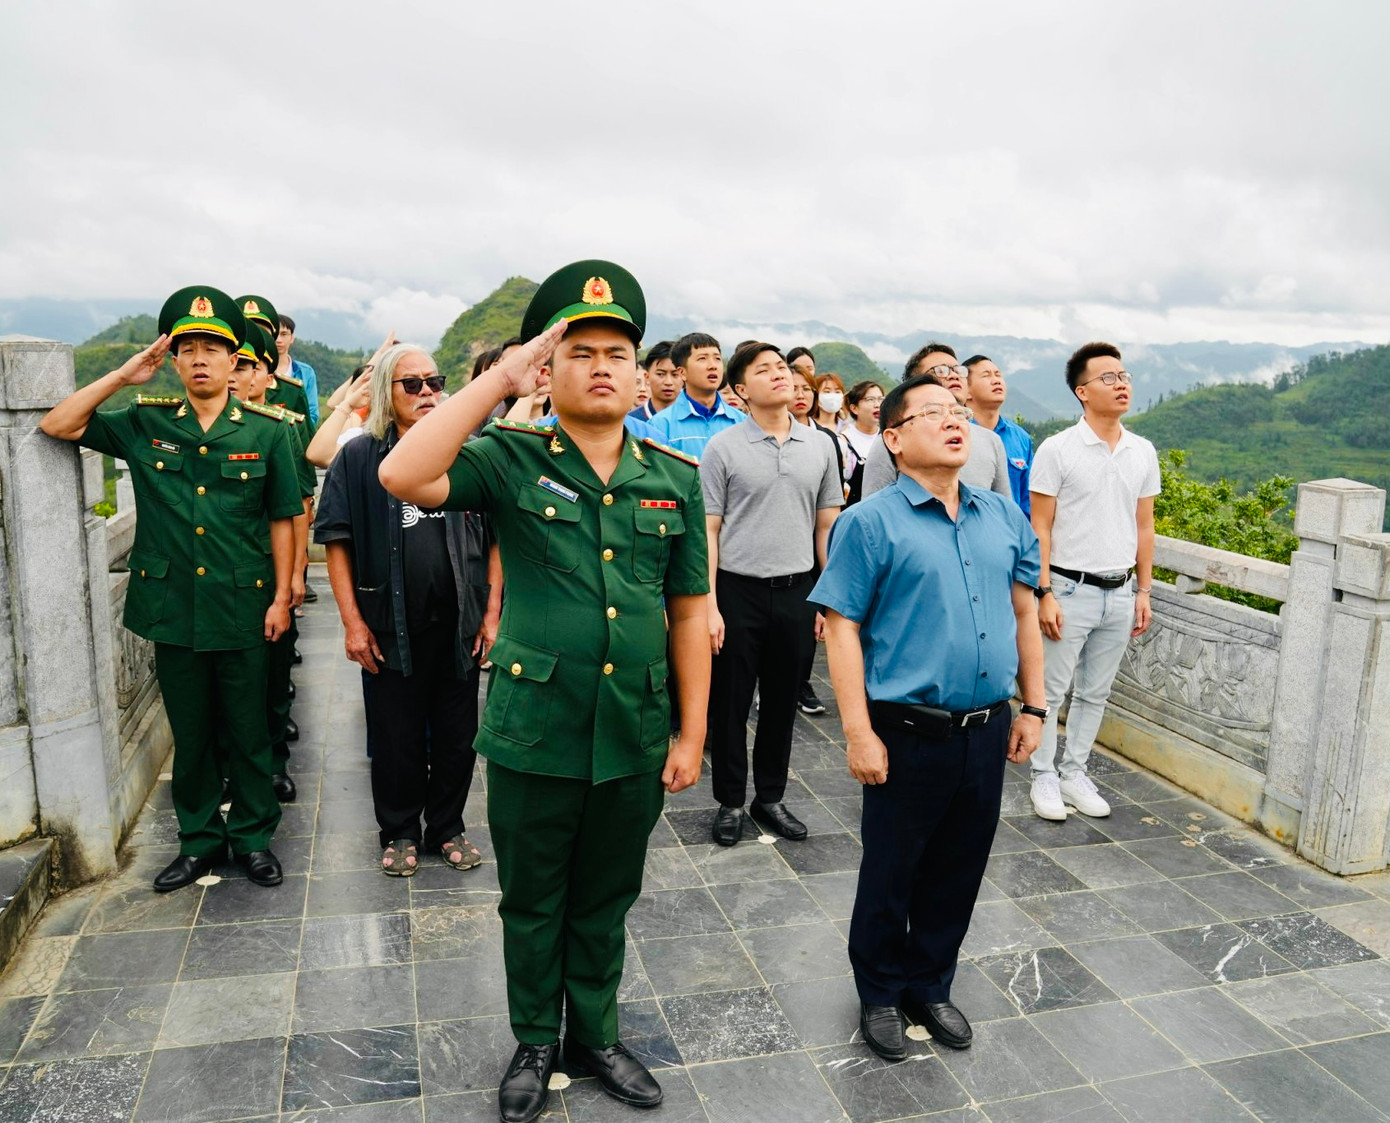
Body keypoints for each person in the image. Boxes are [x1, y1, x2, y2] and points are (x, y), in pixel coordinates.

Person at [378, 260, 709, 1123]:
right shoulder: (509, 458)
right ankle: (534, 1036)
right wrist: (495, 379)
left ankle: (591, 1035)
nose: (601, 363)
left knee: (605, 897)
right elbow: (404, 476)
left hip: (634, 728)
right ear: (550, 370)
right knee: (531, 901)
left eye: (618, 351)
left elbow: (687, 614)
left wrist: (691, 733)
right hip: (535, 728)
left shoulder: (673, 478)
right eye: (579, 350)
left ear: (641, 376)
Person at [811, 374, 1046, 1063]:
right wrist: (857, 729)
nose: (955, 422)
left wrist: (1031, 704)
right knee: (892, 868)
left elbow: (1025, 611)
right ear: (894, 437)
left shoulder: (1002, 516)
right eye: (935, 413)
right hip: (905, 729)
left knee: (960, 864)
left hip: (986, 725)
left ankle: (930, 981)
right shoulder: (869, 522)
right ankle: (880, 990)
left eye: (960, 413)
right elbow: (842, 627)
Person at [39, 287, 300, 891]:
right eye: (189, 349)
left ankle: (255, 839)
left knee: (248, 731)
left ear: (235, 360)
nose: (201, 358)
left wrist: (283, 596)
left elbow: (286, 516)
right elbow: (59, 423)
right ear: (175, 361)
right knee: (193, 731)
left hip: (243, 605)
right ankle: (201, 841)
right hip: (173, 608)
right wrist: (123, 376)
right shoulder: (145, 421)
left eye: (214, 347)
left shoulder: (266, 432)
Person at [315, 343, 492, 873]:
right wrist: (351, 623)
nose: (427, 393)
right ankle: (397, 830)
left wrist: (493, 613)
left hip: (459, 623)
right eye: (411, 384)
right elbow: (336, 541)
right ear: (386, 395)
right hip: (389, 624)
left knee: (459, 737)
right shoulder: (359, 457)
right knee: (396, 737)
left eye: (434, 382)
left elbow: (498, 536)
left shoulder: (470, 450)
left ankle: (447, 827)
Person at [702, 342, 842, 845]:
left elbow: (827, 528)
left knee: (783, 703)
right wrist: (710, 606)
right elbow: (709, 530)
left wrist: (827, 599)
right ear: (740, 390)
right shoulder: (724, 448)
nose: (779, 375)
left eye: (781, 367)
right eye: (764, 370)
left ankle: (771, 798)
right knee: (732, 702)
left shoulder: (821, 446)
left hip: (797, 591)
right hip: (737, 590)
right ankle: (729, 802)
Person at [1029, 342, 1159, 821]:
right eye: (1108, 377)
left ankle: (1074, 771)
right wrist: (1043, 592)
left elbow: (1144, 525)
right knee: (1050, 689)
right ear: (1082, 392)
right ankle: (1043, 775)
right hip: (1067, 588)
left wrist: (1143, 590)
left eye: (1124, 375)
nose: (1121, 383)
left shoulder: (1142, 451)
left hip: (1120, 590)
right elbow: (1039, 525)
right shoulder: (1057, 449)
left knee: (1095, 692)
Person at [227, 323, 317, 802]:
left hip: (268, 571)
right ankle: (232, 767)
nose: (234, 376)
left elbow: (298, 504)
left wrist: (297, 572)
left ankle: (273, 763)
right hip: (223, 576)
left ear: (266, 377)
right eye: (233, 364)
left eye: (245, 366)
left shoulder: (280, 428)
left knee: (272, 680)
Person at [861, 344, 1010, 500]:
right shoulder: (895, 440)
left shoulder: (991, 441)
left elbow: (1003, 514)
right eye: (940, 370)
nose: (953, 375)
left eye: (958, 370)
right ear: (915, 384)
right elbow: (874, 510)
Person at [789, 365, 843, 715]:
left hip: (814, 542)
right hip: (780, 542)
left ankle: (799, 683)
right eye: (794, 388)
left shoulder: (826, 440)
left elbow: (830, 508)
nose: (800, 394)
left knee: (808, 625)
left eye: (806, 389)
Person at [646, 332, 740, 458]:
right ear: (682, 373)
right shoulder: (660, 425)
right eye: (702, 359)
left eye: (717, 358)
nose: (713, 366)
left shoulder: (740, 421)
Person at [964, 355, 1034, 517]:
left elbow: (1028, 498)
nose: (996, 380)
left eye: (998, 374)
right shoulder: (957, 434)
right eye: (986, 375)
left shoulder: (1020, 437)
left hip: (1013, 532)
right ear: (966, 391)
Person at [841, 380, 884, 505]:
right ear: (854, 408)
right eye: (870, 399)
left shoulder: (888, 438)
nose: (877, 404)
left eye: (880, 399)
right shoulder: (843, 441)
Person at [275, 312, 320, 424]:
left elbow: (312, 415)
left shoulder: (306, 372)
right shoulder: (257, 369)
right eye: (274, 334)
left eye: (284, 334)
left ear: (292, 338)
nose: (278, 340)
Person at [629, 341, 680, 422]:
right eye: (660, 374)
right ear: (647, 376)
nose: (668, 382)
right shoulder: (630, 423)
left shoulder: (698, 420)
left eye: (675, 374)